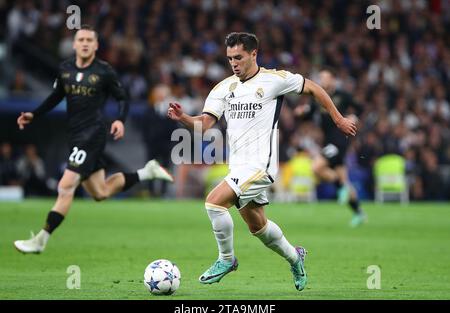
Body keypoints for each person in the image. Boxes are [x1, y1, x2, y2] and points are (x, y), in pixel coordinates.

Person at [167, 32, 356, 291]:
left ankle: (226, 260)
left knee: (213, 203)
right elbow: (205, 123)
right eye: (229, 58)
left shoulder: (273, 80)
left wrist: (338, 119)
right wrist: (184, 119)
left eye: (238, 57)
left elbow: (313, 87)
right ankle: (295, 257)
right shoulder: (223, 88)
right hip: (238, 167)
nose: (233, 63)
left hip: (260, 166)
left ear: (253, 54)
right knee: (259, 227)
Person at [14, 25, 173, 254]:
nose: (86, 43)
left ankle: (40, 239)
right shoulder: (65, 69)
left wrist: (119, 120)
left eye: (90, 39)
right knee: (100, 192)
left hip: (92, 134)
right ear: (75, 44)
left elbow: (122, 98)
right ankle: (146, 172)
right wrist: (34, 114)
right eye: (81, 39)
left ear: (96, 45)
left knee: (65, 186)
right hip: (75, 135)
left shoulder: (104, 71)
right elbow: (56, 96)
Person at [295, 68, 367, 227]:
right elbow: (309, 113)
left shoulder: (342, 95)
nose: (323, 81)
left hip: (340, 140)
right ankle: (358, 212)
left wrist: (353, 116)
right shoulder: (317, 97)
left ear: (333, 80)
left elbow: (360, 108)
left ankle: (340, 188)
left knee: (316, 167)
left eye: (326, 78)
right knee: (344, 180)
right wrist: (301, 112)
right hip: (328, 141)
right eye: (320, 78)